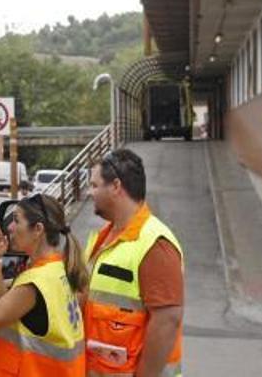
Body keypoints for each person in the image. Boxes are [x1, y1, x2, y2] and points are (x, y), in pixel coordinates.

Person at [84, 149, 184, 377]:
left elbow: (167, 320)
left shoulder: (155, 243)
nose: (90, 192)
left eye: (94, 185)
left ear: (116, 186)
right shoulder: (102, 237)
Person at [0, 194, 88, 376]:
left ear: (38, 229)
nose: (9, 227)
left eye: (16, 221)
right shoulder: (56, 269)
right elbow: (7, 309)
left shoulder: (35, 283)